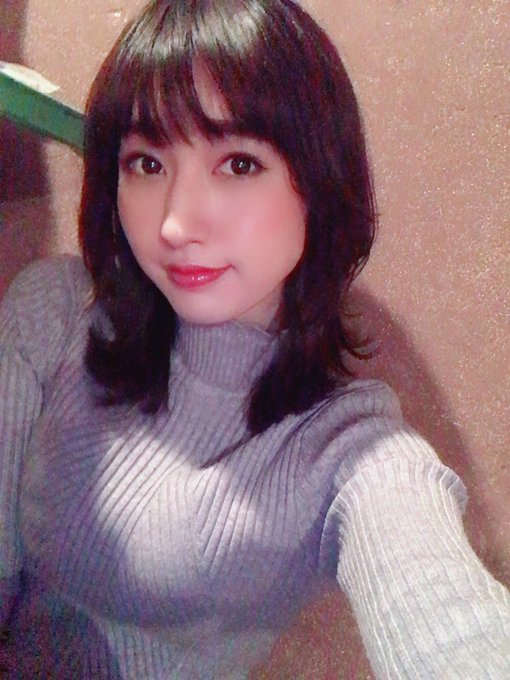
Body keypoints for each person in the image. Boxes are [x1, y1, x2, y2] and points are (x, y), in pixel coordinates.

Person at [1, 0, 509, 677]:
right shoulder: (55, 310)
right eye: (146, 163)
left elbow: (448, 620)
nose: (176, 224)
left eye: (239, 163)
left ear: (318, 184)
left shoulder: (345, 448)